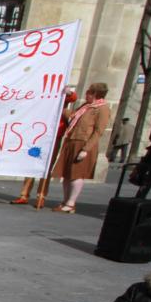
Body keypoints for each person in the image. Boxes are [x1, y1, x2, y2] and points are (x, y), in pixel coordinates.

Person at [51, 82, 110, 213]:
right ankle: (65, 201)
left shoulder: (102, 108)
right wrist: (62, 104)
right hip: (71, 140)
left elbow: (98, 131)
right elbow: (72, 118)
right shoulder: (86, 106)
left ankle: (71, 203)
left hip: (83, 143)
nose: (86, 94)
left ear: (95, 94)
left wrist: (86, 149)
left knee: (76, 174)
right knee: (66, 174)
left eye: (89, 92)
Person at [11, 90, 76, 206]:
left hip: (55, 135)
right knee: (32, 163)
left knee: (47, 166)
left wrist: (68, 92)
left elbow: (73, 98)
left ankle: (41, 195)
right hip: (39, 133)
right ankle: (24, 194)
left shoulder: (61, 92)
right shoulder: (45, 92)